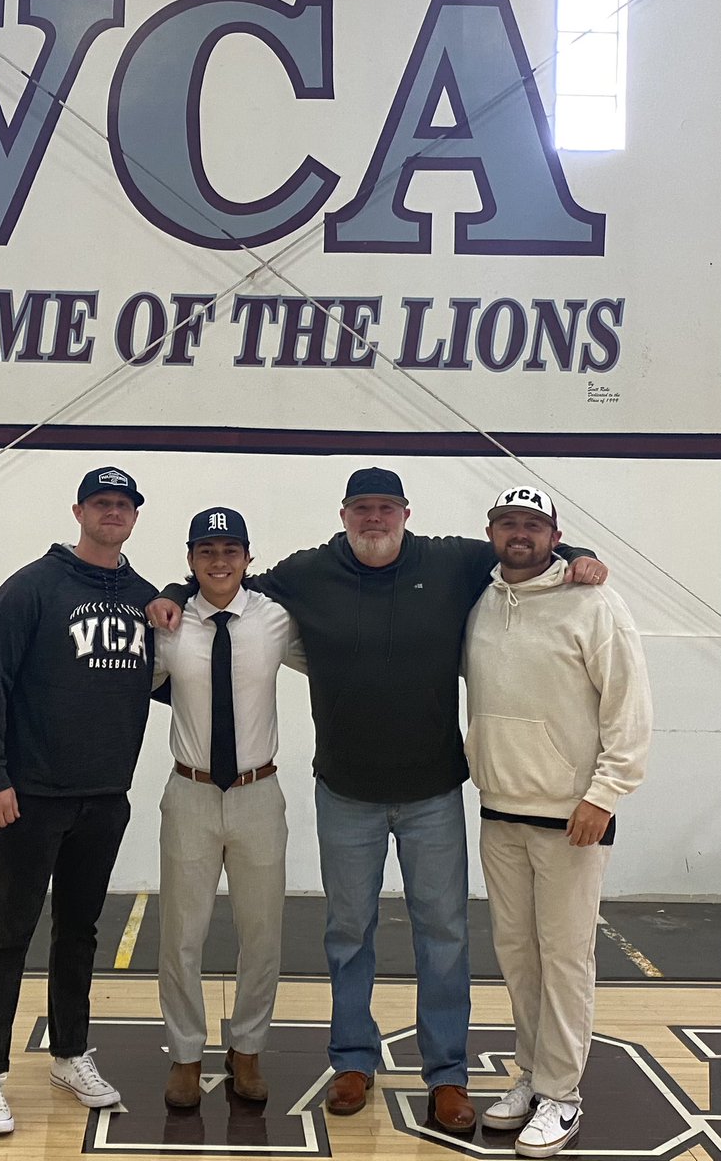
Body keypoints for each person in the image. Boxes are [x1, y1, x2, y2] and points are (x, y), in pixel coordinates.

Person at [149, 468, 608, 1133]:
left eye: (384, 508)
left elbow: (524, 545)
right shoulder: (306, 573)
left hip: (432, 794)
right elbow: (225, 582)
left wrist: (577, 555)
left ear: (404, 513)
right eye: (361, 508)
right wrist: (169, 589)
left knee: (444, 938)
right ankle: (352, 1061)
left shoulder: (451, 560)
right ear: (343, 515)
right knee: (346, 936)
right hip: (345, 793)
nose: (373, 519)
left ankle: (446, 1075)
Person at [0, 466, 157, 1135]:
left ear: (135, 516)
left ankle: (69, 1053)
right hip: (29, 797)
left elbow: (172, 678)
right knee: (8, 934)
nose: (112, 513)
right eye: (101, 503)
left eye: (122, 504)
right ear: (78, 510)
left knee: (79, 932)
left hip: (104, 798)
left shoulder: (145, 598)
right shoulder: (31, 589)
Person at [462, 487, 651, 1157]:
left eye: (534, 525)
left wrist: (603, 795)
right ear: (490, 532)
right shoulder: (479, 601)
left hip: (572, 817)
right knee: (518, 959)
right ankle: (531, 1077)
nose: (521, 534)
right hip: (497, 811)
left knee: (565, 960)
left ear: (554, 534)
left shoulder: (593, 602)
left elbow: (627, 710)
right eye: (509, 523)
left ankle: (562, 1096)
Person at [152, 507, 306, 1108]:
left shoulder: (274, 619)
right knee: (181, 937)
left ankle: (247, 1049)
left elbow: (336, 661)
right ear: (191, 560)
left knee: (262, 934)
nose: (220, 561)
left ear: (248, 557)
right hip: (189, 794)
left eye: (231, 550)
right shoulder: (168, 623)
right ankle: (185, 1055)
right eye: (207, 551)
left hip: (257, 796)